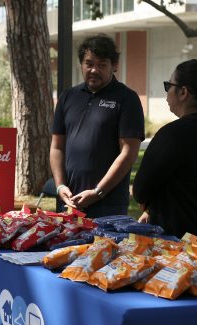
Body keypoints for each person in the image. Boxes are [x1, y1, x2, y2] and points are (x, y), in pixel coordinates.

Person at [133, 59, 197, 243]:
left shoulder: (174, 134)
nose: (166, 93)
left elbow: (140, 190)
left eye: (168, 85)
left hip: (182, 246)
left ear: (183, 92)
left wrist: (148, 203)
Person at [50, 34, 144, 217]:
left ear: (114, 66)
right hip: (69, 201)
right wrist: (60, 185)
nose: (94, 70)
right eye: (89, 63)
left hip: (108, 205)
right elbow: (57, 146)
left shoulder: (127, 99)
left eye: (102, 65)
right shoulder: (68, 97)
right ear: (81, 65)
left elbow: (129, 153)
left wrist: (98, 191)